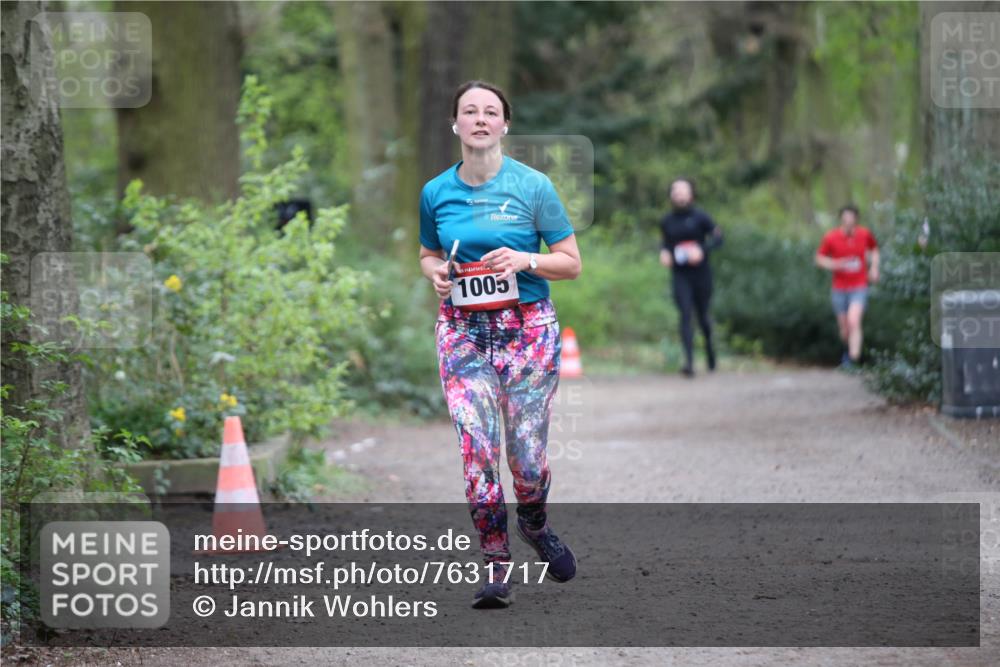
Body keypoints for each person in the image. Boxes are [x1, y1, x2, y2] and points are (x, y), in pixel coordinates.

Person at [418, 80, 582, 609]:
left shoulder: (534, 187)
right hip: (462, 331)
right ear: (456, 124)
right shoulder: (435, 192)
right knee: (476, 450)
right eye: (470, 111)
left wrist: (525, 259)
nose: (481, 119)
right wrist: (436, 274)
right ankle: (495, 564)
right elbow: (426, 253)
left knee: (527, 458)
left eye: (491, 111)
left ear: (505, 124)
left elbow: (571, 262)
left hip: (528, 329)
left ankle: (533, 524)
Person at [658, 178, 723, 377]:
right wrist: (664, 252)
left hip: (701, 274)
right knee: (685, 314)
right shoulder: (666, 221)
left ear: (691, 194)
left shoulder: (701, 217)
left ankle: (711, 354)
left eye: (683, 190)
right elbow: (665, 244)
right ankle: (689, 362)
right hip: (680, 275)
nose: (679, 194)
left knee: (702, 316)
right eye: (675, 191)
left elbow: (719, 238)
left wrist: (702, 250)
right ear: (671, 195)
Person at [815, 204, 880, 369]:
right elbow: (819, 258)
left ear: (856, 219)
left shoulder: (864, 234)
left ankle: (853, 360)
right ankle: (848, 351)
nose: (849, 220)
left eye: (852, 217)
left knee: (854, 320)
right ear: (841, 219)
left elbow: (874, 249)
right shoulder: (831, 237)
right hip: (839, 288)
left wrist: (874, 268)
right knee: (844, 328)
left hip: (859, 285)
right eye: (846, 217)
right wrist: (835, 264)